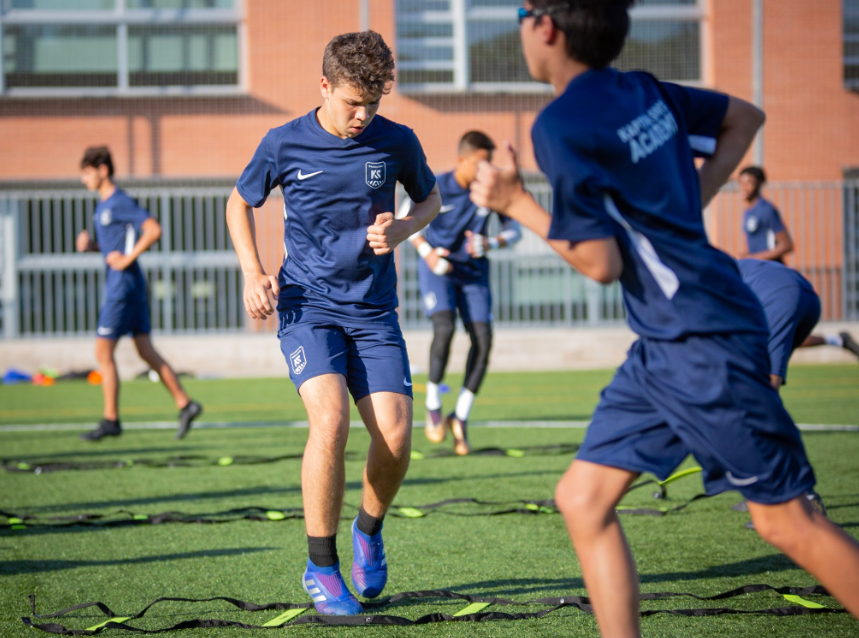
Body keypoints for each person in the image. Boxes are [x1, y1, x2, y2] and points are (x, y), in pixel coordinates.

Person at [470, 2, 859, 635]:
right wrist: (687, 205)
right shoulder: (644, 89)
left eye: (520, 11)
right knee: (582, 499)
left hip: (703, 339)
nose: (518, 24)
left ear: (546, 26)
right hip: (663, 345)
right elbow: (745, 118)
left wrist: (515, 202)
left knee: (786, 521)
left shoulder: (562, 122)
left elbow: (598, 262)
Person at [225, 31, 440, 616]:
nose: (362, 116)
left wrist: (404, 228)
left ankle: (367, 530)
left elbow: (431, 201)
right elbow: (239, 202)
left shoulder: (396, 141)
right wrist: (253, 270)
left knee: (395, 437)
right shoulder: (283, 142)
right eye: (351, 103)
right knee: (331, 419)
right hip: (306, 306)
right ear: (324, 86)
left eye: (373, 103)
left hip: (373, 310)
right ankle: (321, 568)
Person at [400, 131, 521, 455]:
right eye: (481, 163)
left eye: (490, 163)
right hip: (438, 270)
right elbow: (403, 217)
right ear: (462, 161)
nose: (487, 170)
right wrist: (426, 250)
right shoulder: (436, 183)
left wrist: (492, 242)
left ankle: (461, 416)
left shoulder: (489, 192)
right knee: (444, 328)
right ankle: (435, 405)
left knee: (483, 339)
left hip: (474, 274)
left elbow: (515, 230)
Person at [76, 146, 202, 442]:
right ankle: (186, 403)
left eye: (86, 173)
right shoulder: (103, 206)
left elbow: (153, 229)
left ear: (102, 170)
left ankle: (111, 420)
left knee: (102, 352)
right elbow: (114, 247)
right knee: (145, 350)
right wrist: (94, 247)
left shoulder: (118, 201)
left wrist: (127, 259)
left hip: (122, 287)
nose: (83, 180)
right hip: (130, 286)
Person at [738, 258, 859, 390]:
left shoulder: (720, 276)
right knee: (780, 343)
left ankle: (764, 408)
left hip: (780, 297)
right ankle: (839, 340)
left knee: (768, 381)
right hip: (811, 298)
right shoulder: (741, 266)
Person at [739, 165, 794, 262]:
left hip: (770, 268)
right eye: (741, 183)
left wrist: (753, 257)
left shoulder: (766, 209)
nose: (744, 187)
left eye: (749, 183)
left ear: (759, 183)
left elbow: (786, 245)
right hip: (758, 268)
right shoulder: (747, 211)